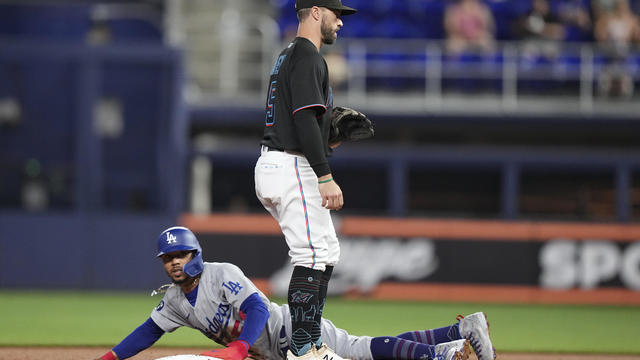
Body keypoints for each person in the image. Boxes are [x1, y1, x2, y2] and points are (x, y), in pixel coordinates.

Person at [96, 226, 497, 360]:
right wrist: (113, 355)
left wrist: (239, 347)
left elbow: (255, 308)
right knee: (359, 347)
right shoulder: (174, 301)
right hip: (271, 350)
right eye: (168, 258)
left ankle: (440, 354)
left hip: (291, 331)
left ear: (196, 254)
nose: (174, 263)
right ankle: (458, 334)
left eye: (181, 255)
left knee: (359, 352)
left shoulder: (221, 273)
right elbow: (149, 331)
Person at [254, 1, 361, 359]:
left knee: (327, 251)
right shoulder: (307, 56)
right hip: (289, 164)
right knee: (312, 254)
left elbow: (303, 122)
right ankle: (301, 350)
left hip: (282, 162)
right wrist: (325, 175)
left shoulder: (291, 55)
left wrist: (333, 135)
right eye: (336, 14)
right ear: (316, 12)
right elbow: (302, 121)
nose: (340, 23)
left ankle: (312, 342)